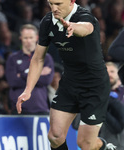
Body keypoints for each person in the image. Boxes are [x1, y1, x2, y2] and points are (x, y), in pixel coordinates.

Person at [16, 0, 116, 149]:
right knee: (55, 136)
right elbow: (38, 58)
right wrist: (28, 90)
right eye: (51, 4)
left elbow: (86, 28)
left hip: (94, 86)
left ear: (71, 1)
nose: (54, 8)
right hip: (69, 83)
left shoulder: (85, 17)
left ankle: (105, 147)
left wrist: (73, 27)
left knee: (85, 144)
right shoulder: (48, 21)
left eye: (58, 4)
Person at [6, 24, 54, 115]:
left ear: (36, 38)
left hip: (41, 108)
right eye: (25, 38)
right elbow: (13, 81)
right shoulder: (12, 58)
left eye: (31, 38)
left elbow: (46, 80)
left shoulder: (46, 58)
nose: (28, 41)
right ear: (20, 38)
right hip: (19, 109)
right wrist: (37, 74)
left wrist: (22, 74)